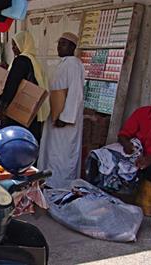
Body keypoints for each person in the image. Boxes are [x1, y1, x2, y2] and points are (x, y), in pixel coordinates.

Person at [38, 32, 85, 188]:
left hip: (65, 121)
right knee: (53, 153)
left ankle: (62, 186)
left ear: (72, 47)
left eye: (63, 44)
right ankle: (51, 183)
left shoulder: (74, 64)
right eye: (59, 43)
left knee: (64, 155)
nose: (59, 47)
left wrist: (65, 117)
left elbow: (75, 94)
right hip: (56, 117)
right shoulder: (63, 63)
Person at [0, 31, 50, 142]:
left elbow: (12, 85)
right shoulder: (35, 61)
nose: (13, 48)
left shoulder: (21, 60)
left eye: (15, 45)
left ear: (24, 44)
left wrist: (2, 104)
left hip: (18, 113)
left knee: (15, 143)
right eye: (12, 45)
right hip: (32, 112)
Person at [118, 93, 151, 181]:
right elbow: (123, 134)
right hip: (135, 153)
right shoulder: (141, 113)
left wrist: (150, 159)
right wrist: (126, 144)